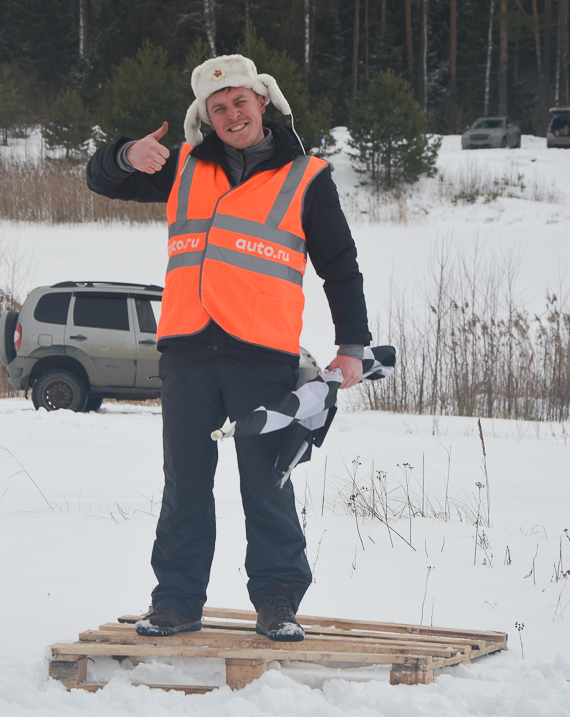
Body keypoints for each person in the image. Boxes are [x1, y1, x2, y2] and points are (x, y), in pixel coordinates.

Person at [85, 54, 370, 642]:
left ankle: (278, 601)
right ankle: (176, 603)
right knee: (184, 483)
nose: (232, 113)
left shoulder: (307, 177)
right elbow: (101, 180)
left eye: (240, 101)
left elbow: (340, 267)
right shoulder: (184, 165)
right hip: (188, 353)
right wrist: (123, 155)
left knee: (266, 484)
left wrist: (353, 346)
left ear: (263, 102)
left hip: (262, 356)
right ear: (206, 118)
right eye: (219, 108)